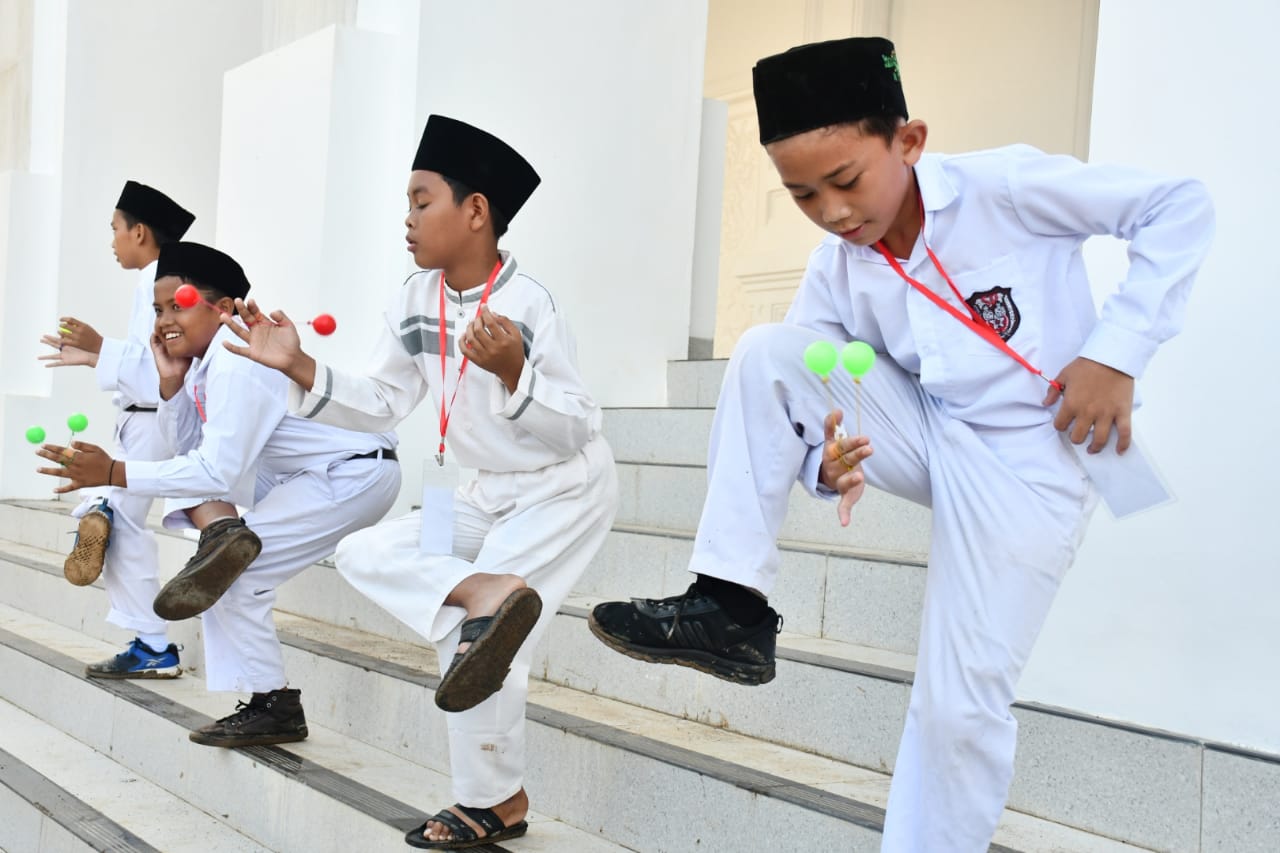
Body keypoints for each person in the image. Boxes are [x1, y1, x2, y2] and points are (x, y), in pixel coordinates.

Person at [588, 37, 1214, 852]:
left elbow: (1180, 207)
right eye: (804, 194)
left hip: (1035, 457)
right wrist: (826, 458)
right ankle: (731, 603)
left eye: (846, 180)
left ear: (908, 141)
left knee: (957, 706)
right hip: (930, 427)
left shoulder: (1007, 188)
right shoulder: (836, 266)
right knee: (767, 353)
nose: (834, 211)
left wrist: (1114, 353)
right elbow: (805, 396)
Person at [220, 114, 618, 850]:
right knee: (366, 553)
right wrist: (299, 366)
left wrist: (513, 373)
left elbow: (577, 426)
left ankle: (488, 800)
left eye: (420, 200)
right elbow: (380, 403)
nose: (406, 219)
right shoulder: (412, 297)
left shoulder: (530, 305)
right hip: (470, 491)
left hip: (559, 488)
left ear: (475, 212)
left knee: (478, 637)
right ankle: (482, 606)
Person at [36, 241, 401, 748]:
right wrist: (169, 384)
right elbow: (189, 450)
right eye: (158, 309)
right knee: (220, 554)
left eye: (177, 305)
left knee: (232, 574)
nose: (164, 319)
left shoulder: (238, 360)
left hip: (348, 475)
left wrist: (116, 471)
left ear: (223, 308)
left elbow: (214, 468)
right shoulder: (208, 364)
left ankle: (272, 704)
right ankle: (226, 542)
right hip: (302, 476)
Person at [37, 180, 194, 679]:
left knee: (120, 528)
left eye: (114, 229)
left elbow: (163, 361)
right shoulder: (155, 280)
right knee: (107, 514)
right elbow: (144, 361)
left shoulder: (158, 282)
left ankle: (153, 646)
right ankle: (98, 514)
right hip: (142, 419)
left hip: (155, 420)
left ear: (140, 231)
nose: (111, 241)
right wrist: (95, 356)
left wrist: (102, 347)